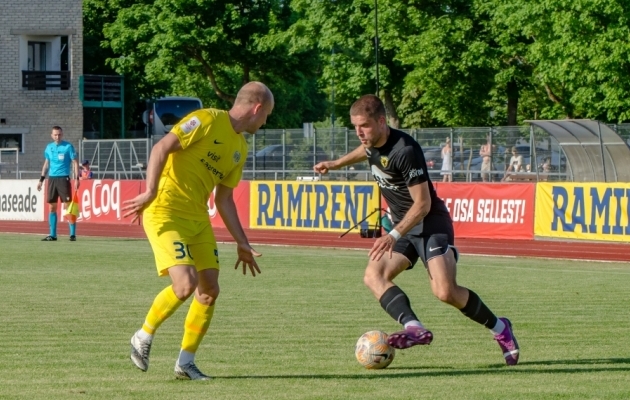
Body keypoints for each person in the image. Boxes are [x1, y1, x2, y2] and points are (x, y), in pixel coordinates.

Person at [313, 95, 519, 366]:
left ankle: (501, 328)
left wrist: (392, 235)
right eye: (355, 127)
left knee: (445, 292)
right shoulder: (371, 143)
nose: (359, 133)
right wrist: (335, 164)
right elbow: (365, 152)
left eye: (364, 125)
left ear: (382, 121)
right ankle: (413, 327)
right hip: (403, 227)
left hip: (430, 223)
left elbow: (423, 204)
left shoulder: (405, 150)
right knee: (373, 275)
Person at [122, 81, 274, 380]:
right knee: (184, 285)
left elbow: (225, 199)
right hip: (165, 211)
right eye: (267, 114)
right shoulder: (206, 119)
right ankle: (142, 335)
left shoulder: (240, 148)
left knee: (209, 291)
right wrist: (151, 190)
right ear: (257, 108)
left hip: (198, 219)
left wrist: (242, 243)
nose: (266, 121)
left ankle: (185, 363)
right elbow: (161, 147)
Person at [36, 126, 80, 241]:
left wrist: (77, 179)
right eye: (55, 134)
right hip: (52, 179)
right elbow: (46, 164)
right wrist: (41, 179)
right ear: (52, 135)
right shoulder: (49, 147)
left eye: (59, 134)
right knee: (52, 207)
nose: (57, 136)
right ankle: (53, 235)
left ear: (62, 134)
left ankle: (72, 234)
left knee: (68, 206)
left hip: (63, 179)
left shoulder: (68, 147)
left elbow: (75, 162)